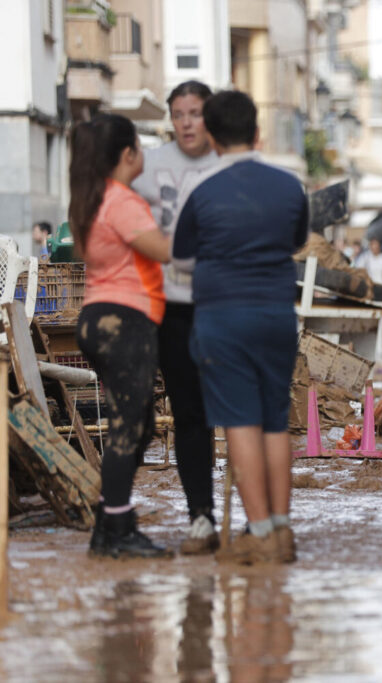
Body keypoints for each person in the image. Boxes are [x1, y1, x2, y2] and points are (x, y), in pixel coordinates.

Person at [172, 91, 309, 565]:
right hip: (275, 315)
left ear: (210, 136)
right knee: (274, 422)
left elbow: (183, 257)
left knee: (240, 423)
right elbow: (295, 242)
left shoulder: (201, 189)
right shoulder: (290, 186)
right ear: (256, 133)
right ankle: (283, 530)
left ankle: (261, 532)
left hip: (222, 319)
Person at [68, 113, 172, 558]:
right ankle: (117, 530)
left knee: (135, 424)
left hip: (101, 319)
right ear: (128, 154)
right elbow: (164, 251)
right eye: (140, 147)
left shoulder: (93, 198)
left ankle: (109, 528)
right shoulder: (121, 200)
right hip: (123, 322)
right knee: (128, 428)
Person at [132, 80, 221, 555]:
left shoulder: (225, 163)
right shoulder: (149, 165)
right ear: (171, 119)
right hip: (167, 305)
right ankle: (201, 517)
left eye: (195, 112)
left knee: (228, 410)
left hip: (218, 303)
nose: (187, 122)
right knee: (188, 411)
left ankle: (263, 520)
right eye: (179, 113)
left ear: (210, 117)